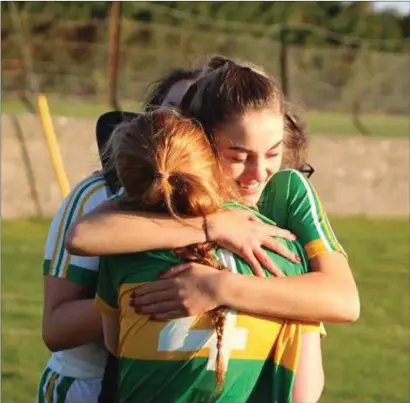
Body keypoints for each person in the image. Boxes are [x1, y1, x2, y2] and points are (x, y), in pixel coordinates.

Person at [39, 63, 297, 403]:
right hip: (90, 382)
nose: (178, 128)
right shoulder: (101, 195)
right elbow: (55, 327)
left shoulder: (254, 198)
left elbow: (337, 302)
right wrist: (147, 294)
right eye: (173, 114)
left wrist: (222, 289)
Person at [67, 58, 359, 326]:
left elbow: (343, 300)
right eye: (238, 157)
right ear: (201, 143)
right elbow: (84, 236)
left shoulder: (287, 191)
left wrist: (220, 287)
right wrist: (211, 226)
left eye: (272, 153)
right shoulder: (174, 186)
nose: (259, 174)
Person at [95, 110, 325, 403]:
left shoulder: (121, 250)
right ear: (211, 162)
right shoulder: (283, 252)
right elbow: (302, 393)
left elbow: (113, 344)